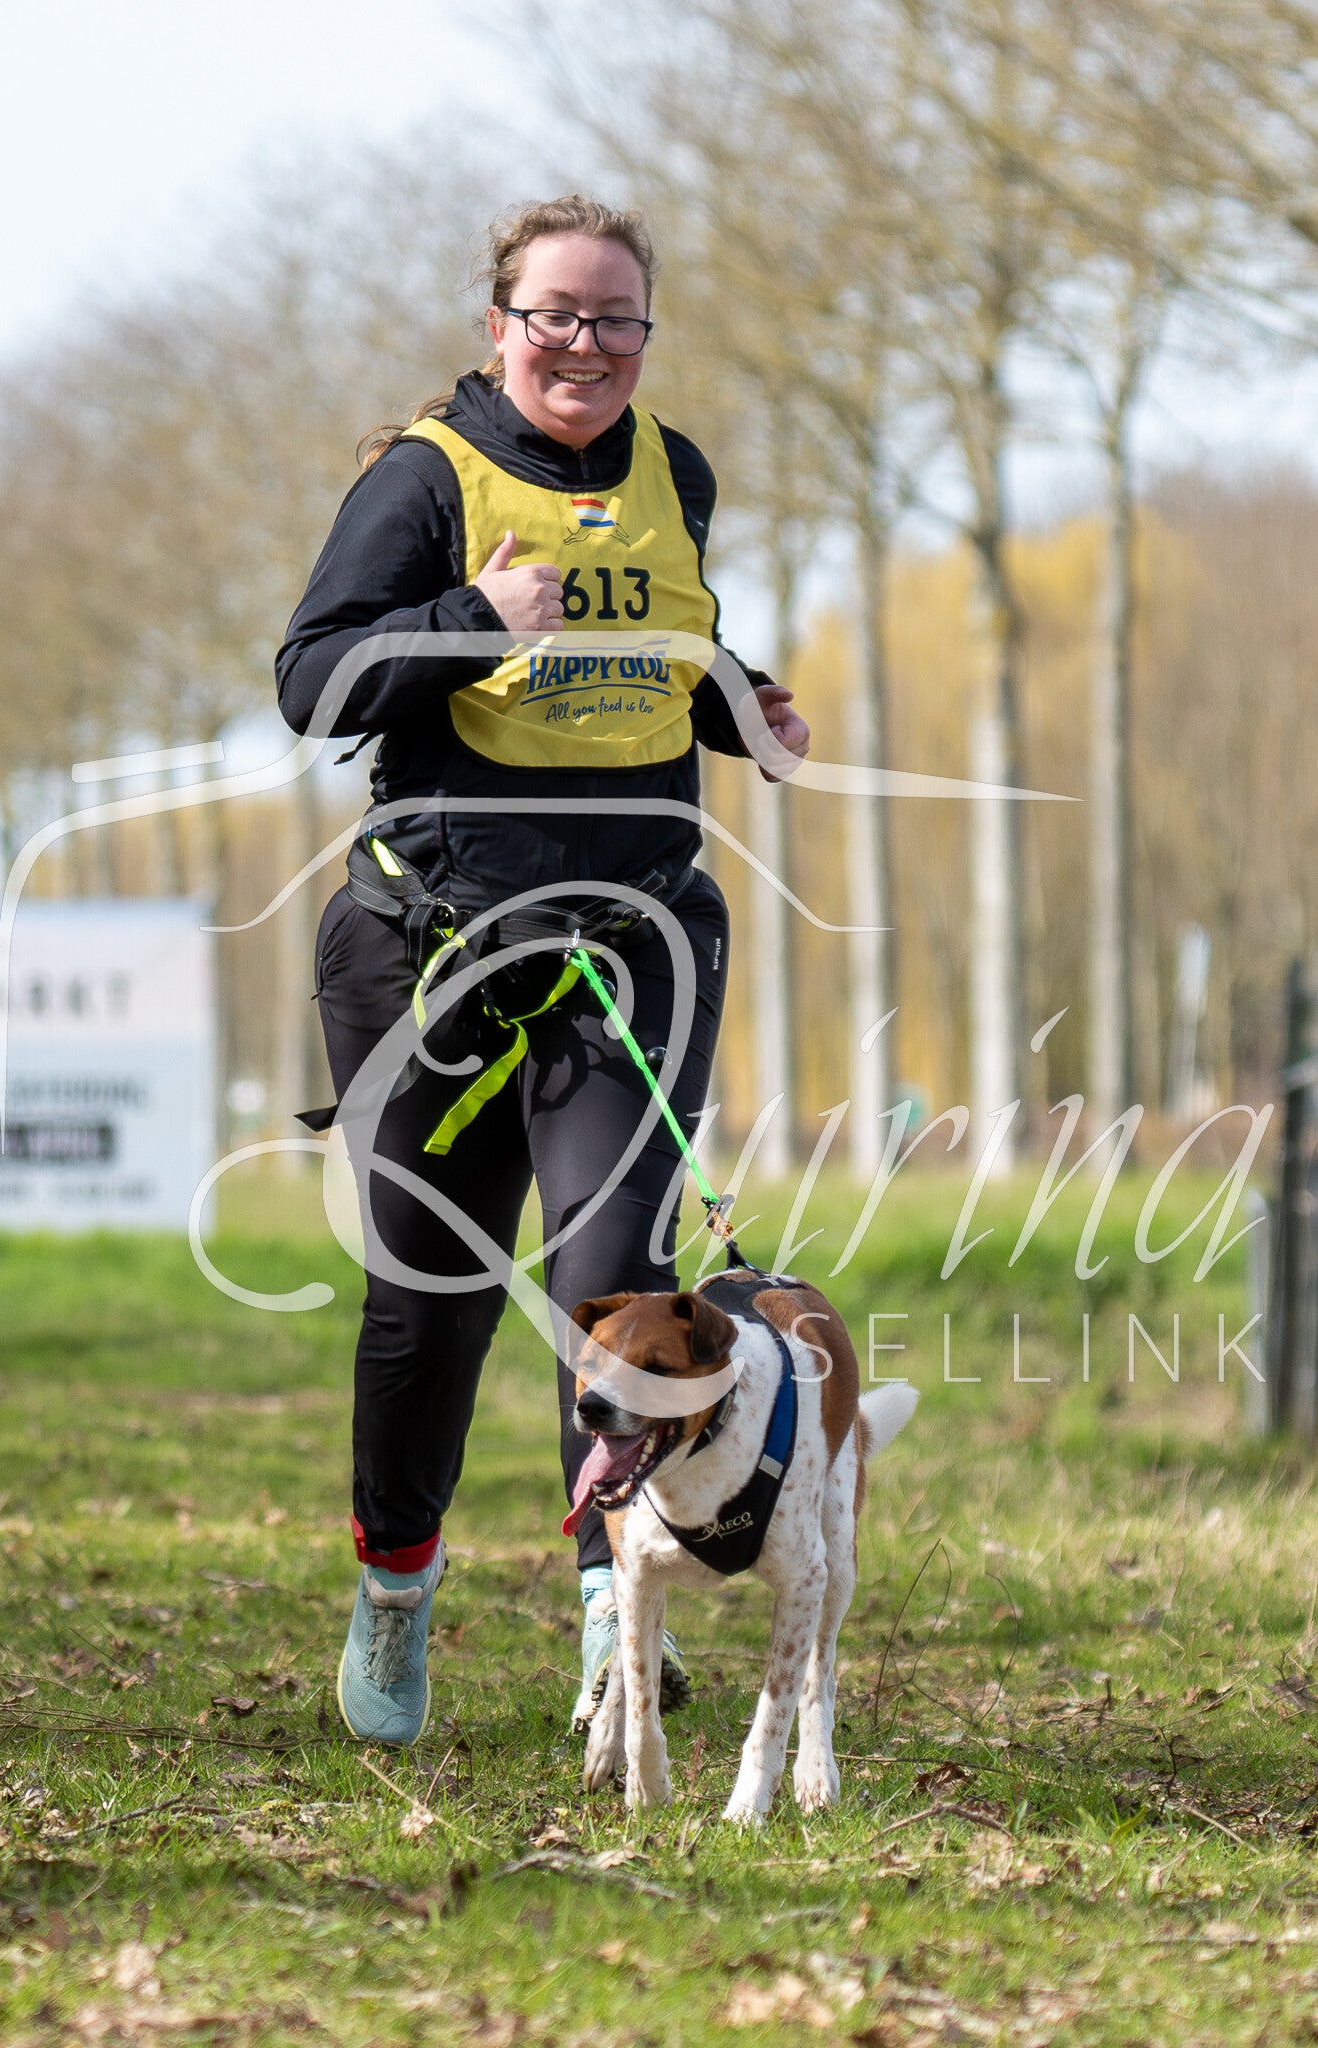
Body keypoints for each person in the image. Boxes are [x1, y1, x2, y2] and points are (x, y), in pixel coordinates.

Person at [275, 193, 810, 1746]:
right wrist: (472, 617)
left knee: (612, 1290)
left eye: (614, 318)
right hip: (431, 953)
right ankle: (395, 1588)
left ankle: (610, 1615)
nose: (584, 344)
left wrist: (742, 707)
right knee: (430, 1297)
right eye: (555, 315)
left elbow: (651, 656)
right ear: (499, 323)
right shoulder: (419, 478)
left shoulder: (674, 474)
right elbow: (314, 683)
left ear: (647, 331)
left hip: (635, 941)